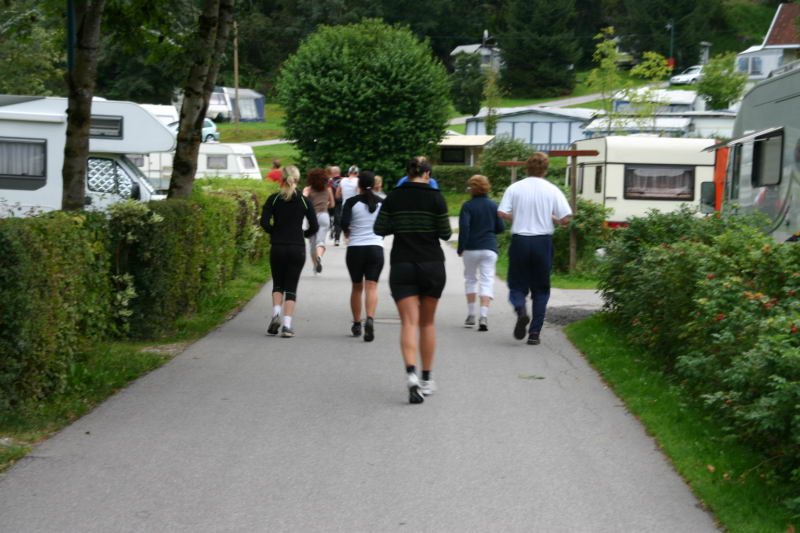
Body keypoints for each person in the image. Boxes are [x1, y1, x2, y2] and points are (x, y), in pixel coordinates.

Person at [374, 157, 451, 404]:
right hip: (432, 265)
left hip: (402, 264)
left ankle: (411, 374)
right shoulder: (436, 198)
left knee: (408, 322)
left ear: (407, 173)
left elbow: (379, 228)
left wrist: (400, 224)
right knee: (427, 323)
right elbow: (446, 233)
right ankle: (427, 379)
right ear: (427, 174)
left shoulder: (394, 197)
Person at [497, 152, 572, 346]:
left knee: (517, 284)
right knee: (541, 288)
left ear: (526, 168)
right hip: (542, 242)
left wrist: (518, 217)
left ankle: (521, 309)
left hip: (520, 240)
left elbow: (501, 212)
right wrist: (553, 219)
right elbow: (565, 218)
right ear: (545, 169)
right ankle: (534, 333)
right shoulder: (552, 189)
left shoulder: (515, 188)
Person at [260, 165, 319, 338]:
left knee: (278, 284)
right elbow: (314, 225)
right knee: (291, 286)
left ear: (281, 179)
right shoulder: (303, 200)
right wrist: (304, 234)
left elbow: (264, 222)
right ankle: (286, 325)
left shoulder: (274, 199)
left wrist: (274, 232)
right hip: (296, 247)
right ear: (297, 180)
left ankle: (275, 315)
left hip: (278, 246)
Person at [457, 174, 505, 332]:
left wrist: (461, 248)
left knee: (470, 279)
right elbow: (500, 228)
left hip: (471, 248)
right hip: (489, 248)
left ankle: (471, 314)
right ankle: (483, 316)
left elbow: (464, 228)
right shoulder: (493, 205)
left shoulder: (467, 206)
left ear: (472, 188)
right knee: (487, 280)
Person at [341, 170, 384, 342]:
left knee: (357, 287)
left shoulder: (351, 203)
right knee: (372, 286)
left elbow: (344, 223)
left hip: (355, 249)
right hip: (375, 248)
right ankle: (370, 319)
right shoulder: (382, 203)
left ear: (358, 185)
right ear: (374, 184)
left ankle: (357, 323)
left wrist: (348, 232)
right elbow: (387, 225)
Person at [302, 167, 335, 274]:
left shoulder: (308, 189)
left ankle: (315, 266)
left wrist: (305, 194)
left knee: (312, 244)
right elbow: (332, 204)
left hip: (312, 217)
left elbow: (302, 203)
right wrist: (325, 204)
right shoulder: (328, 189)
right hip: (324, 216)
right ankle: (320, 256)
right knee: (320, 241)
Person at [329, 166, 344, 245]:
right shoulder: (343, 180)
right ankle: (337, 239)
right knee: (338, 220)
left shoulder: (329, 181)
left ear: (332, 173)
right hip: (340, 202)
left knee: (327, 217)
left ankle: (331, 226)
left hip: (330, 203)